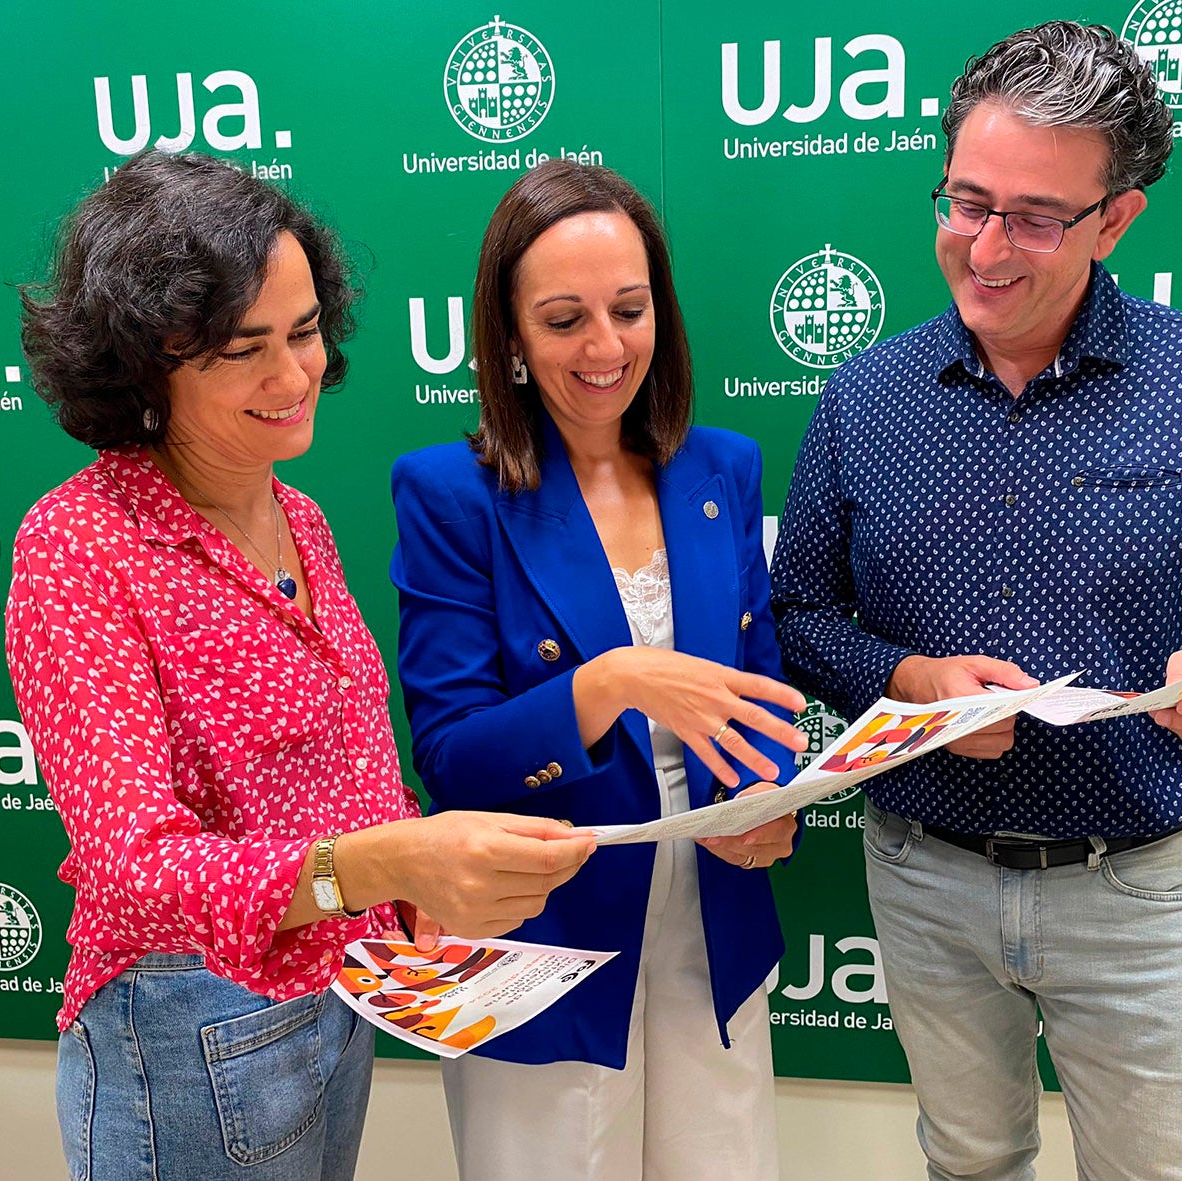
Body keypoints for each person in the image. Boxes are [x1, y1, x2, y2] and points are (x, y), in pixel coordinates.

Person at [771, 21, 1182, 1180]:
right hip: (923, 871)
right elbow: (800, 614)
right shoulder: (865, 396)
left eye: (1035, 217)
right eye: (964, 201)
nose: (986, 246)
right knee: (970, 1161)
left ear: (1117, 219)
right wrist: (910, 680)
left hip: (1139, 887)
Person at [6, 151, 594, 1181]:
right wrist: (380, 863)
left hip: (333, 1000)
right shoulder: (81, 545)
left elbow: (349, 759)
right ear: (142, 362)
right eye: (245, 349)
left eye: (306, 330)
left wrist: (404, 883)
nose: (294, 376)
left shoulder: (297, 515)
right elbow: (135, 867)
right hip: (187, 1030)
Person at [389, 158, 806, 1181]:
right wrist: (608, 681)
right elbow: (452, 759)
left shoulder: (722, 466)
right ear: (513, 337)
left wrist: (770, 796)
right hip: (548, 934)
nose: (606, 346)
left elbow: (761, 688)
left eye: (630, 309)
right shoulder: (451, 493)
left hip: (716, 919)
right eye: (565, 318)